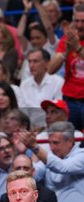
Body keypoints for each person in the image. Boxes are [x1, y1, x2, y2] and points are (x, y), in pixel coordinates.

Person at [20, 121, 84, 202]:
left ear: (70, 141)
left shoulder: (81, 155)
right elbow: (34, 175)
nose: (52, 147)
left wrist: (35, 147)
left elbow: (63, 167)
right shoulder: (50, 158)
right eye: (49, 143)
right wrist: (23, 152)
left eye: (56, 143)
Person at [48, 3, 84, 131]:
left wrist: (78, 48)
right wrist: (65, 53)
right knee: (70, 140)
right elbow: (50, 69)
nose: (80, 25)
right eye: (77, 21)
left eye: (83, 21)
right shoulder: (68, 39)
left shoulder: (74, 42)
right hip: (70, 100)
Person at [20, 48, 64, 128]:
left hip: (53, 128)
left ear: (47, 63)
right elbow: (23, 112)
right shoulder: (24, 84)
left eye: (35, 61)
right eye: (29, 62)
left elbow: (59, 111)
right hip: (31, 129)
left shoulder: (58, 81)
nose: (31, 65)